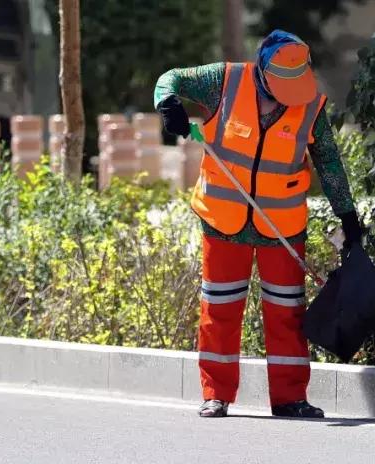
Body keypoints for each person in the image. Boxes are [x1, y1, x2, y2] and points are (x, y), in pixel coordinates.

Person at [154, 30, 361, 419]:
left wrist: (348, 215)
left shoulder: (311, 105)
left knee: (287, 314)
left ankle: (289, 398)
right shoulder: (224, 81)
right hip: (224, 221)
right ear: (263, 73)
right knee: (220, 309)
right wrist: (167, 103)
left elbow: (329, 162)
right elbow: (170, 78)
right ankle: (216, 393)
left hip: (281, 227)